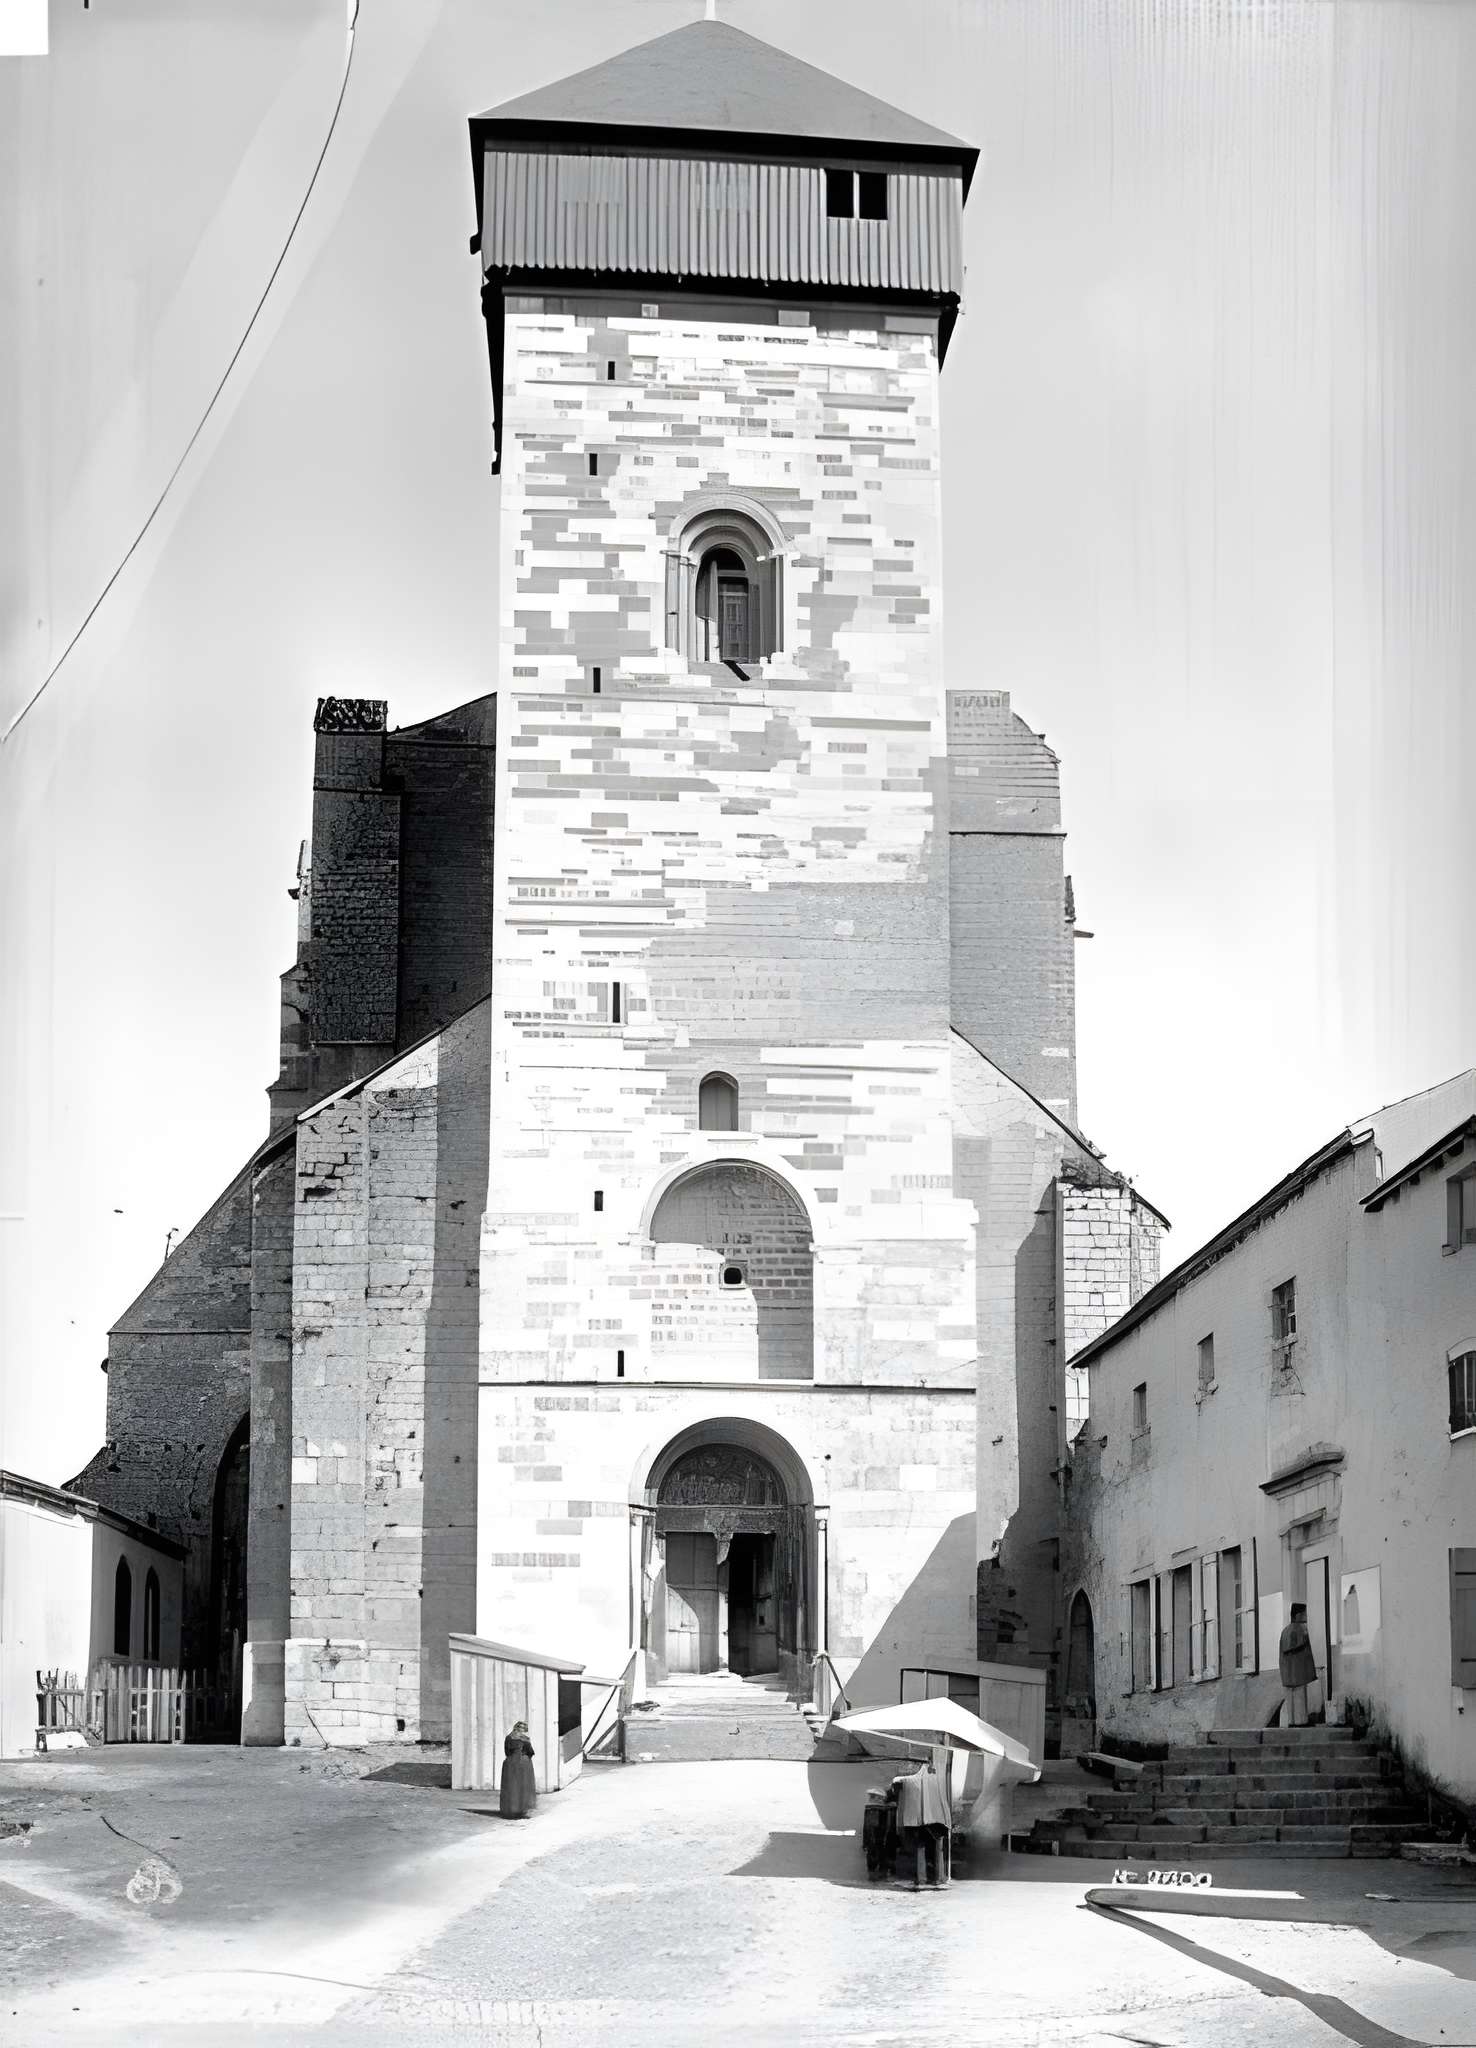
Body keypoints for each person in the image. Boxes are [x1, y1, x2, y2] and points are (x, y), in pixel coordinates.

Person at [1279, 1602, 1318, 1726]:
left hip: (1288, 1672)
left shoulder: (1285, 1630)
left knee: (1291, 1699)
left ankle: (1292, 1722)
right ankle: (1301, 1722)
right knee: (1300, 1698)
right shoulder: (1298, 1629)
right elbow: (1291, 1648)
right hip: (1298, 1671)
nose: (1306, 1616)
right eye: (1305, 1614)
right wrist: (1304, 1643)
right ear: (1298, 1615)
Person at [499, 1719, 537, 1818]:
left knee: (512, 1786)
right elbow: (531, 1752)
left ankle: (511, 1809)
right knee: (523, 1786)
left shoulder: (508, 1737)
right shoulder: (525, 1739)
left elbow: (507, 1752)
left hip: (510, 1763)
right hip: (523, 1764)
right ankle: (521, 1809)